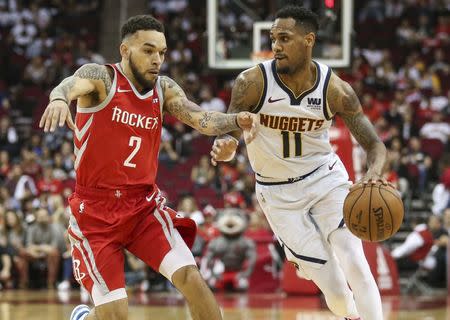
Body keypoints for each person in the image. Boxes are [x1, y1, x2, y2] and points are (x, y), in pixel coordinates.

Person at [39, 15, 257, 320]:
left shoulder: (163, 88)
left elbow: (200, 118)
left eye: (162, 52)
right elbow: (68, 85)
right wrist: (60, 99)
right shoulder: (101, 78)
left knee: (191, 279)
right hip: (96, 213)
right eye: (148, 50)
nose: (157, 60)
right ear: (125, 50)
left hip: (142, 206)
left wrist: (236, 121)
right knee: (115, 315)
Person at [211, 6, 388, 320]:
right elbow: (230, 128)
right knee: (334, 287)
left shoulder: (336, 91)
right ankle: (351, 314)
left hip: (326, 179)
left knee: (354, 259)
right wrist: (226, 145)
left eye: (284, 38)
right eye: (273, 38)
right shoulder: (251, 82)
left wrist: (373, 174)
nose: (276, 45)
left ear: (309, 40)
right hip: (277, 195)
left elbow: (375, 145)